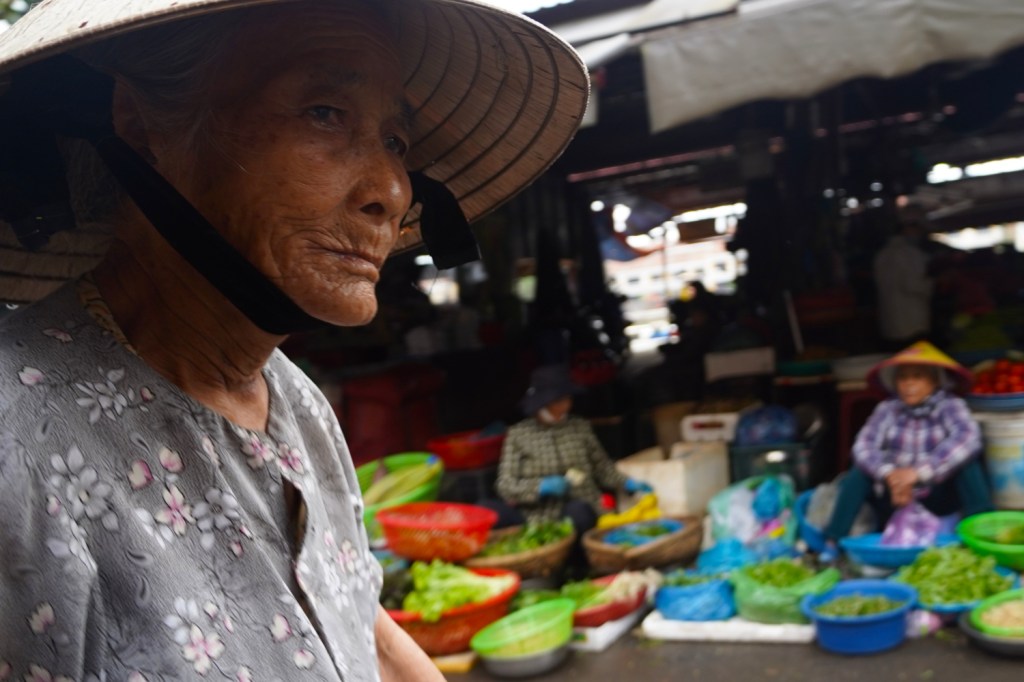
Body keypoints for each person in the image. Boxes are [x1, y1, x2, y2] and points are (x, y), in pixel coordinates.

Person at [0, 1, 588, 679]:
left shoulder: (295, 402)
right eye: (325, 113)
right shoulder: (19, 441)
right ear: (138, 123)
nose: (392, 193)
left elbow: (351, 620)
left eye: (395, 142)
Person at [821, 342, 993, 556]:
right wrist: (889, 474)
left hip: (936, 495)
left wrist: (919, 473)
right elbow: (863, 446)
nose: (909, 384)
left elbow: (968, 438)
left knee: (969, 465)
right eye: (903, 377)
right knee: (858, 472)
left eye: (918, 376)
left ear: (934, 381)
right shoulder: (887, 409)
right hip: (895, 496)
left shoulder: (950, 406)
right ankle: (832, 542)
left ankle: (985, 538)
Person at [494, 365, 652, 535]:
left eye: (567, 398)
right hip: (535, 517)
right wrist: (539, 487)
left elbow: (602, 467)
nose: (566, 405)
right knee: (491, 510)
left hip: (580, 508)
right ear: (543, 403)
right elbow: (505, 485)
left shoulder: (580, 427)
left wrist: (626, 482)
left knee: (579, 512)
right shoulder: (518, 435)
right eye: (559, 400)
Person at [873, 205, 935, 350]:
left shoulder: (882, 255)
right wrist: (936, 282)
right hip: (912, 325)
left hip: (890, 325)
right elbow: (915, 285)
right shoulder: (910, 254)